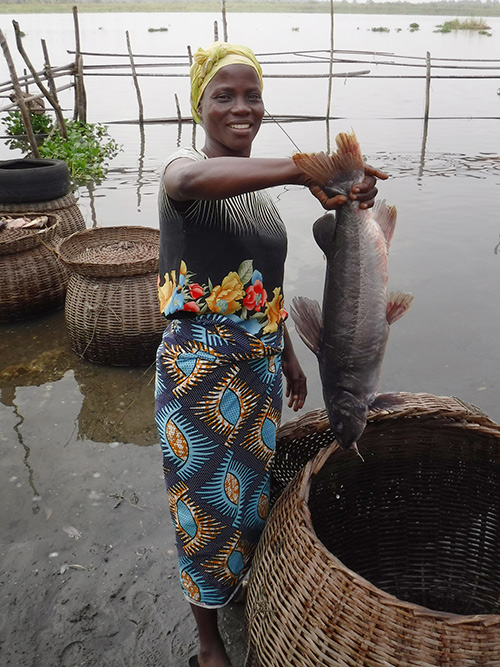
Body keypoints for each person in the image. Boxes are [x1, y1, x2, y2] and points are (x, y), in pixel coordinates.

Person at [155, 42, 387, 667]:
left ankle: (245, 590)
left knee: (250, 494)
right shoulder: (183, 169)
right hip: (199, 371)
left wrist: (287, 357)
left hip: (257, 368)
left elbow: (263, 288)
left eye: (251, 95)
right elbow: (188, 180)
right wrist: (301, 168)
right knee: (200, 501)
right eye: (223, 96)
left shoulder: (260, 203)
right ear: (197, 105)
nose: (241, 108)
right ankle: (209, 642)